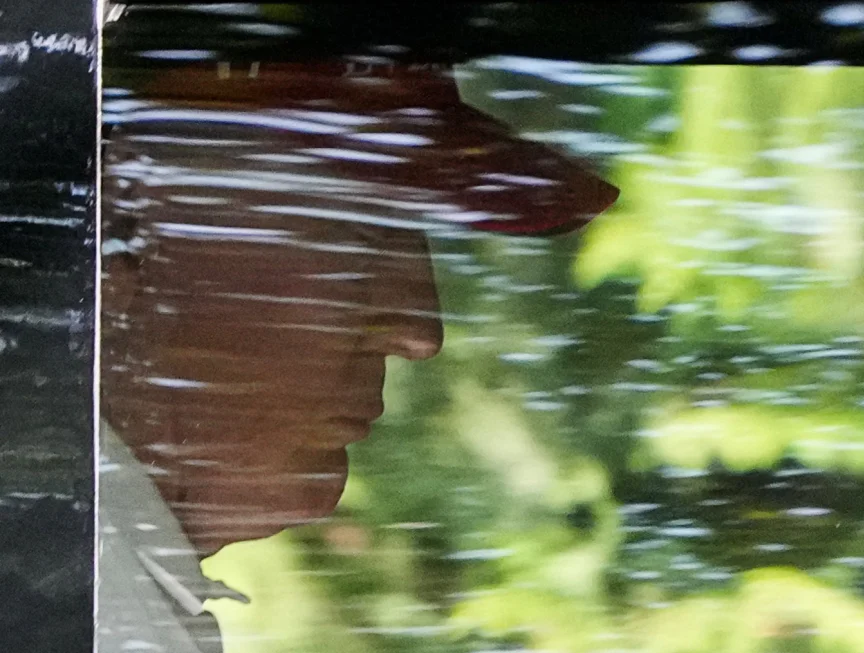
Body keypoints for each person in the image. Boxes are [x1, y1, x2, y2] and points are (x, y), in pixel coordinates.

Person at [97, 58, 618, 652]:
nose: (421, 334)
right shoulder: (53, 588)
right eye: (358, 230)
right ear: (119, 229)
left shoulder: (75, 580)